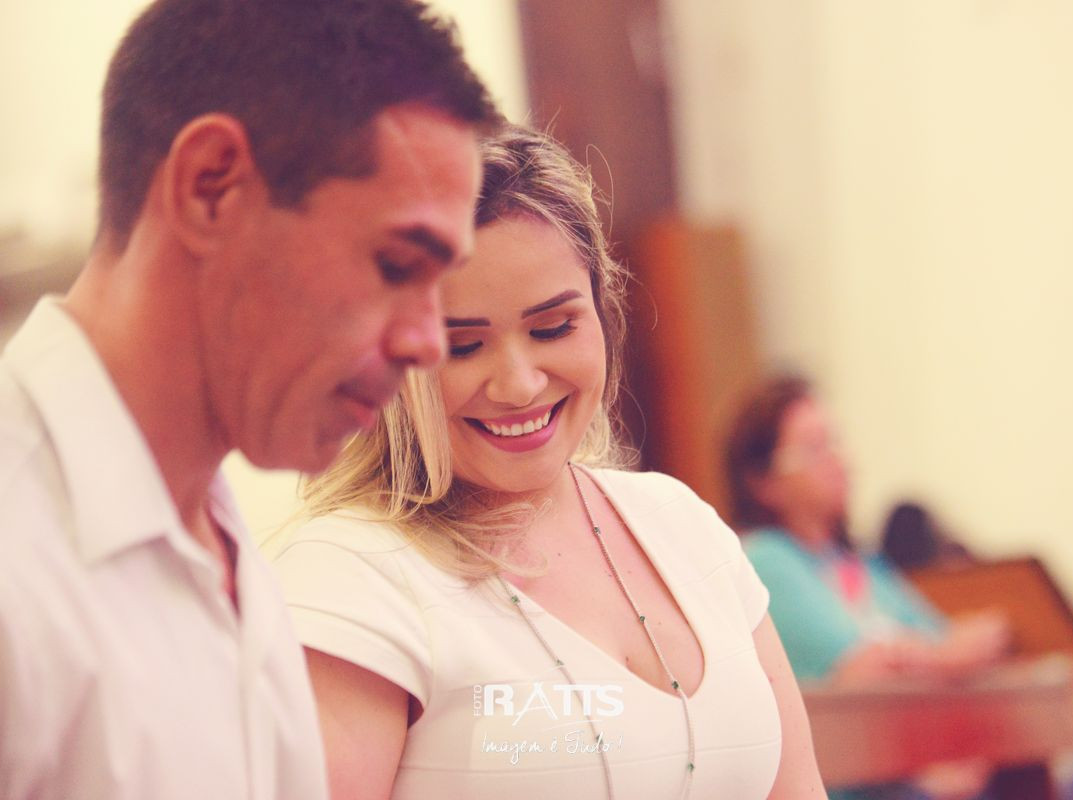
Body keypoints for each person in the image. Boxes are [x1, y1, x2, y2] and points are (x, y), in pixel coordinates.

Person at [0, 1, 499, 798]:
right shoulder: (20, 560)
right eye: (396, 265)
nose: (426, 343)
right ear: (211, 187)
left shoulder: (224, 550)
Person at [269, 126, 827, 800]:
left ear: (601, 312)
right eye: (462, 346)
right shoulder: (349, 576)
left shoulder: (682, 524)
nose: (519, 384)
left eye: (553, 328)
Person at [726, 374, 1009, 800]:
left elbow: (945, 640)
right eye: (814, 448)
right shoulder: (765, 560)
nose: (838, 460)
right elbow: (864, 668)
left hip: (904, 772)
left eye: (835, 443)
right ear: (762, 481)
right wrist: (945, 657)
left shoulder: (862, 565)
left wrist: (944, 654)